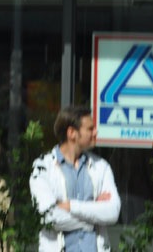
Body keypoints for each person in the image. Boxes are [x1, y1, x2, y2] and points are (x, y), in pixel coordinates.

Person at [30, 105, 120, 252]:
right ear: (72, 133)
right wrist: (94, 216)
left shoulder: (101, 166)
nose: (96, 132)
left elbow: (112, 212)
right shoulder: (43, 167)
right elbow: (49, 217)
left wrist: (71, 206)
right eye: (90, 129)